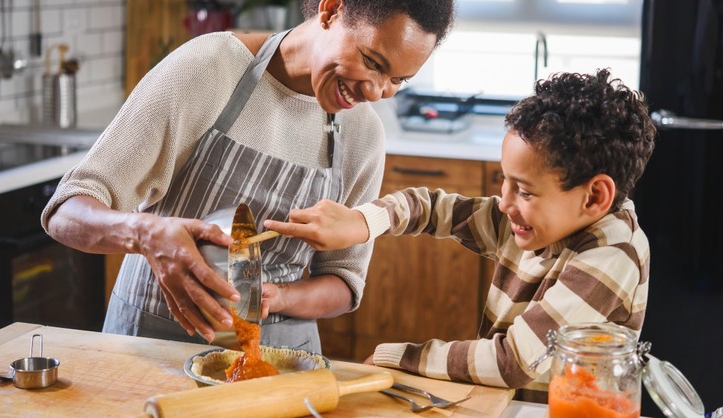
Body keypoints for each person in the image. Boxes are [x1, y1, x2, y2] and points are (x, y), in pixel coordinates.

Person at [40, 0, 456, 353]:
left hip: (283, 361)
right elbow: (67, 210)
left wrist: (283, 297)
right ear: (331, 10)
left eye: (397, 80)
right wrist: (146, 233)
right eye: (371, 62)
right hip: (155, 346)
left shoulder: (363, 135)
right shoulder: (210, 68)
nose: (375, 91)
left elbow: (344, 283)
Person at [265, 68, 657, 387]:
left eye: (524, 191)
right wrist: (363, 222)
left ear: (594, 196)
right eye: (505, 182)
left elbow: (512, 361)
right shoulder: (534, 222)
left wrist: (398, 357)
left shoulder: (612, 252)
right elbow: (432, 208)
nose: (504, 203)